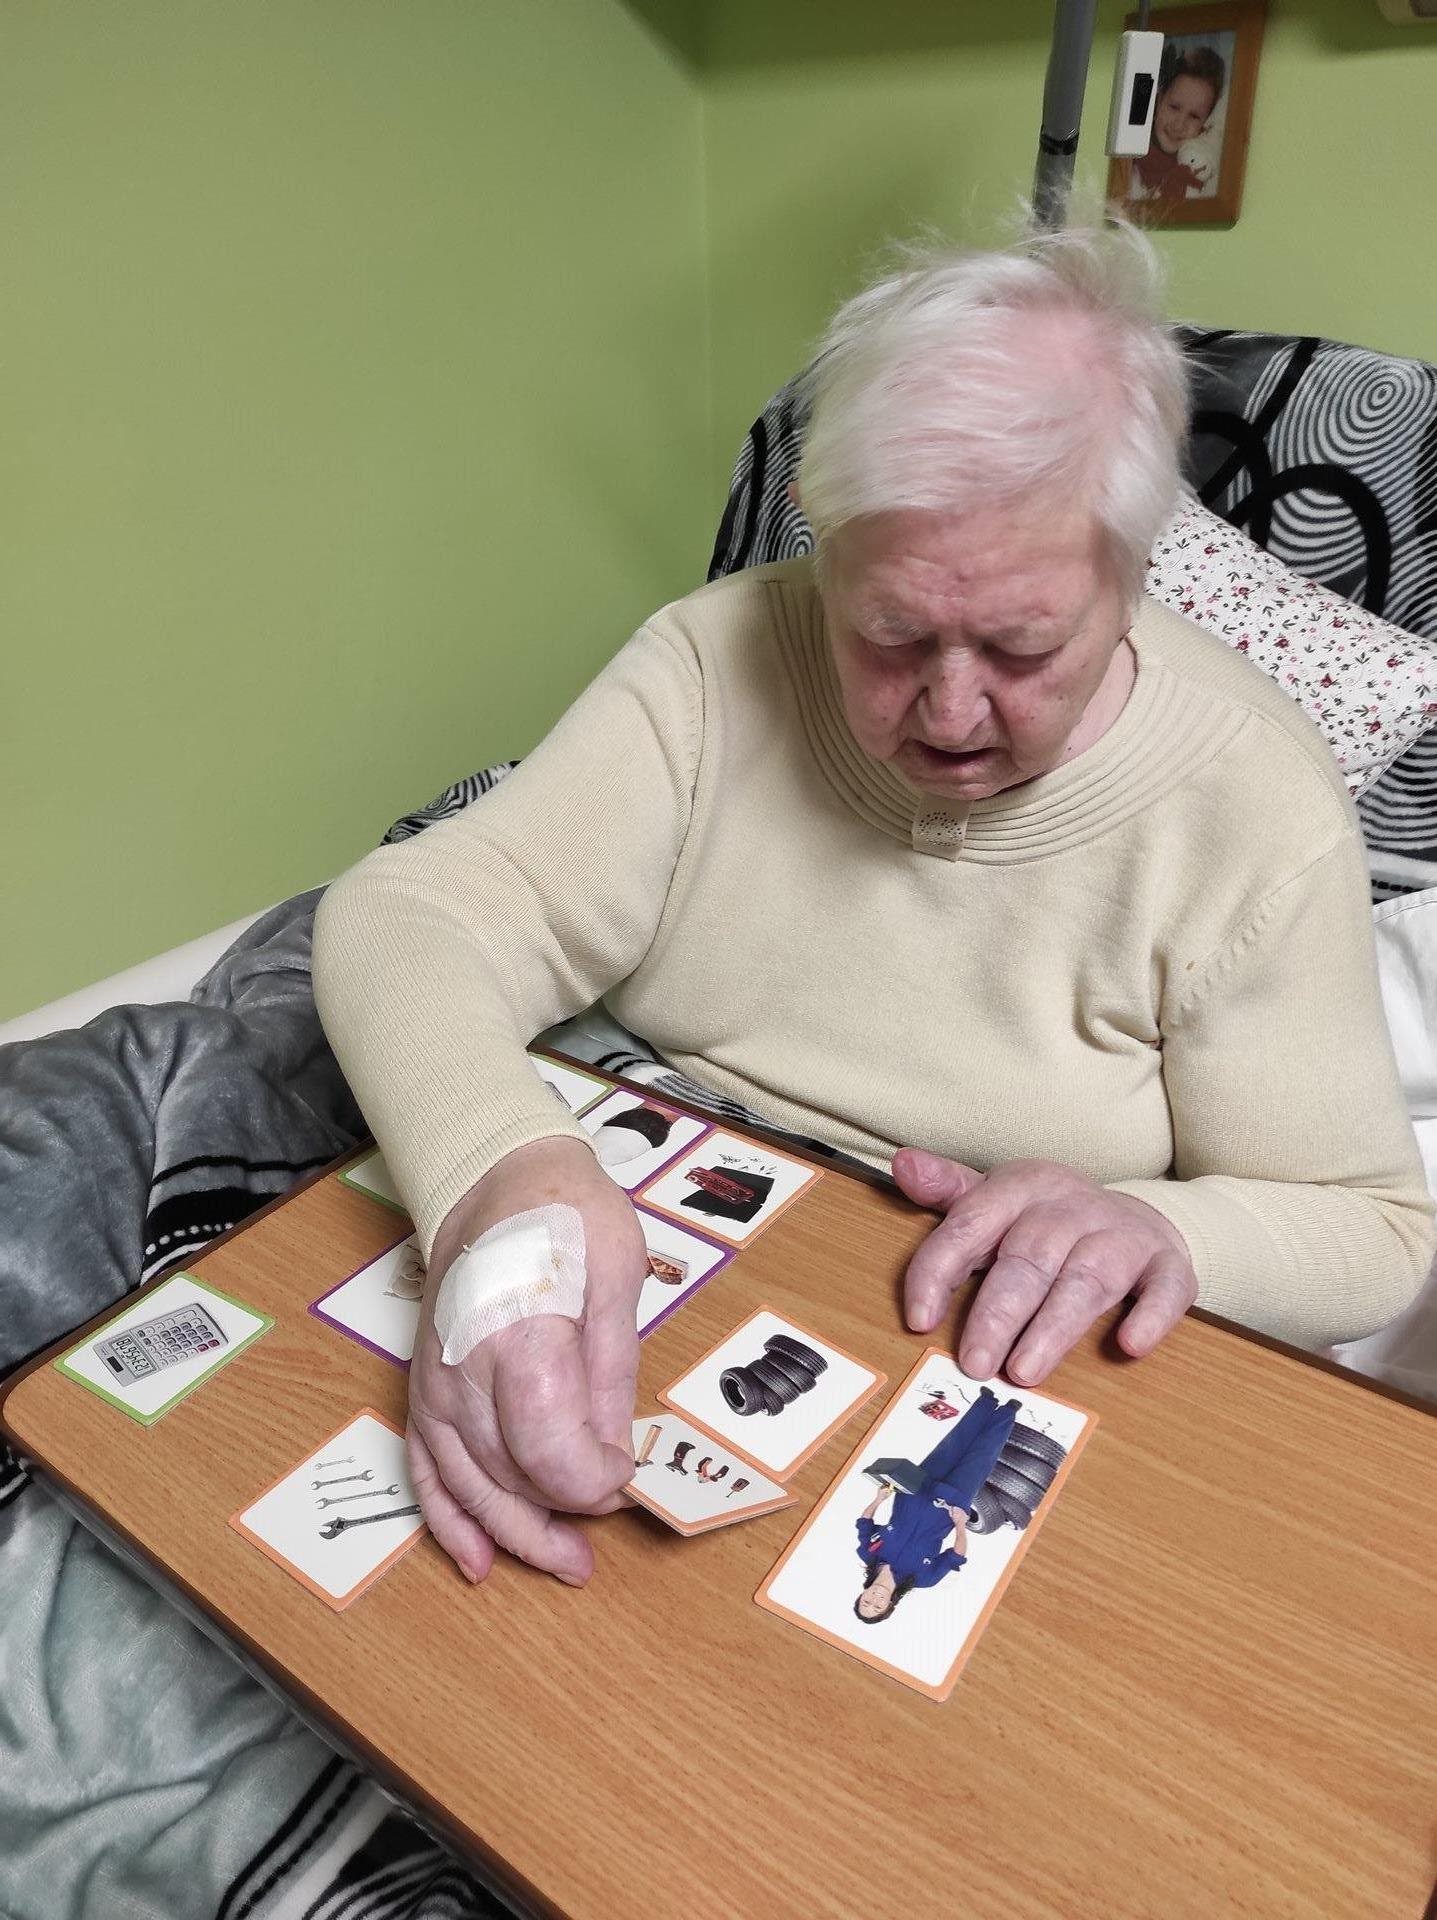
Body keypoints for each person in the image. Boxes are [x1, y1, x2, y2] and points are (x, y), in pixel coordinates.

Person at [312, 223, 1434, 1588]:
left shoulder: (1254, 803)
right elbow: (408, 913)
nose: (950, 713)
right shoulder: (715, 658)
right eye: (890, 635)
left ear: (1136, 570)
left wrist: (1164, 1227)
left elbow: (1374, 1233)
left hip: (966, 1354)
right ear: (821, 540)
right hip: (657, 1212)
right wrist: (503, 1172)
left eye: (1023, 646)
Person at [854, 1386, 1022, 1624]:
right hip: (950, 1505)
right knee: (982, 1457)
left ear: (861, 1595)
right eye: (878, 1607)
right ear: (890, 1605)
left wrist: (879, 1499)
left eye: (866, 1602)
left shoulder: (867, 1553)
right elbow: (956, 1556)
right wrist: (961, 1525)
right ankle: (1008, 1412)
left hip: (914, 1489)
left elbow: (864, 1522)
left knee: (952, 1445)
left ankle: (985, 1403)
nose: (874, 1600)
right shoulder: (923, 1579)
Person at [1130, 46, 1226, 202]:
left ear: (1206, 123)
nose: (1179, 125)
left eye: (1194, 116)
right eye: (1174, 107)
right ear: (1159, 100)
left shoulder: (1201, 172)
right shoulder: (1127, 157)